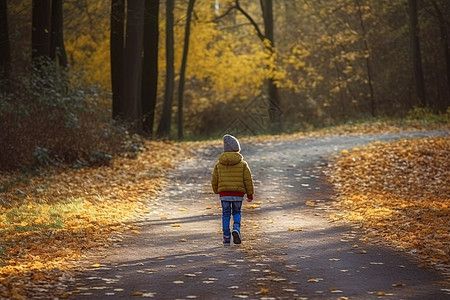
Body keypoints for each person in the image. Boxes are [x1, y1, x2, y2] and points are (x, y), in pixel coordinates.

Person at [211, 134, 254, 245]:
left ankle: (226, 238)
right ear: (237, 150)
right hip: (238, 194)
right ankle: (236, 228)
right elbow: (248, 180)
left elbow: (214, 179)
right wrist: (250, 194)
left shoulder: (218, 165)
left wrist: (217, 190)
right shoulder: (243, 164)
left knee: (225, 214)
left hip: (224, 193)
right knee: (236, 212)